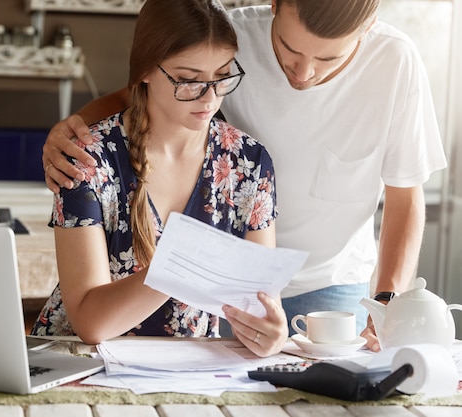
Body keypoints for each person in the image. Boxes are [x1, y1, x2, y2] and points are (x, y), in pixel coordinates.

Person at [40, 0, 447, 352]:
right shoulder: (231, 35)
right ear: (274, 5)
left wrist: (387, 301)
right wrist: (74, 126)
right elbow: (145, 90)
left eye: (328, 59)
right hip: (207, 291)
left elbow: (405, 198)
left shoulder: (250, 161)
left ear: (366, 31)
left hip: (324, 278)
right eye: (290, 49)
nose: (304, 73)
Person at [31, 0, 288, 357]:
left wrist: (271, 332)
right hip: (74, 363)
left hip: (184, 370)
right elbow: (91, 323)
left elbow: (260, 302)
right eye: (188, 80)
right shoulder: (88, 159)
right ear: (146, 70)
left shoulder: (250, 163)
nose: (210, 97)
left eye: (223, 74)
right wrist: (183, 265)